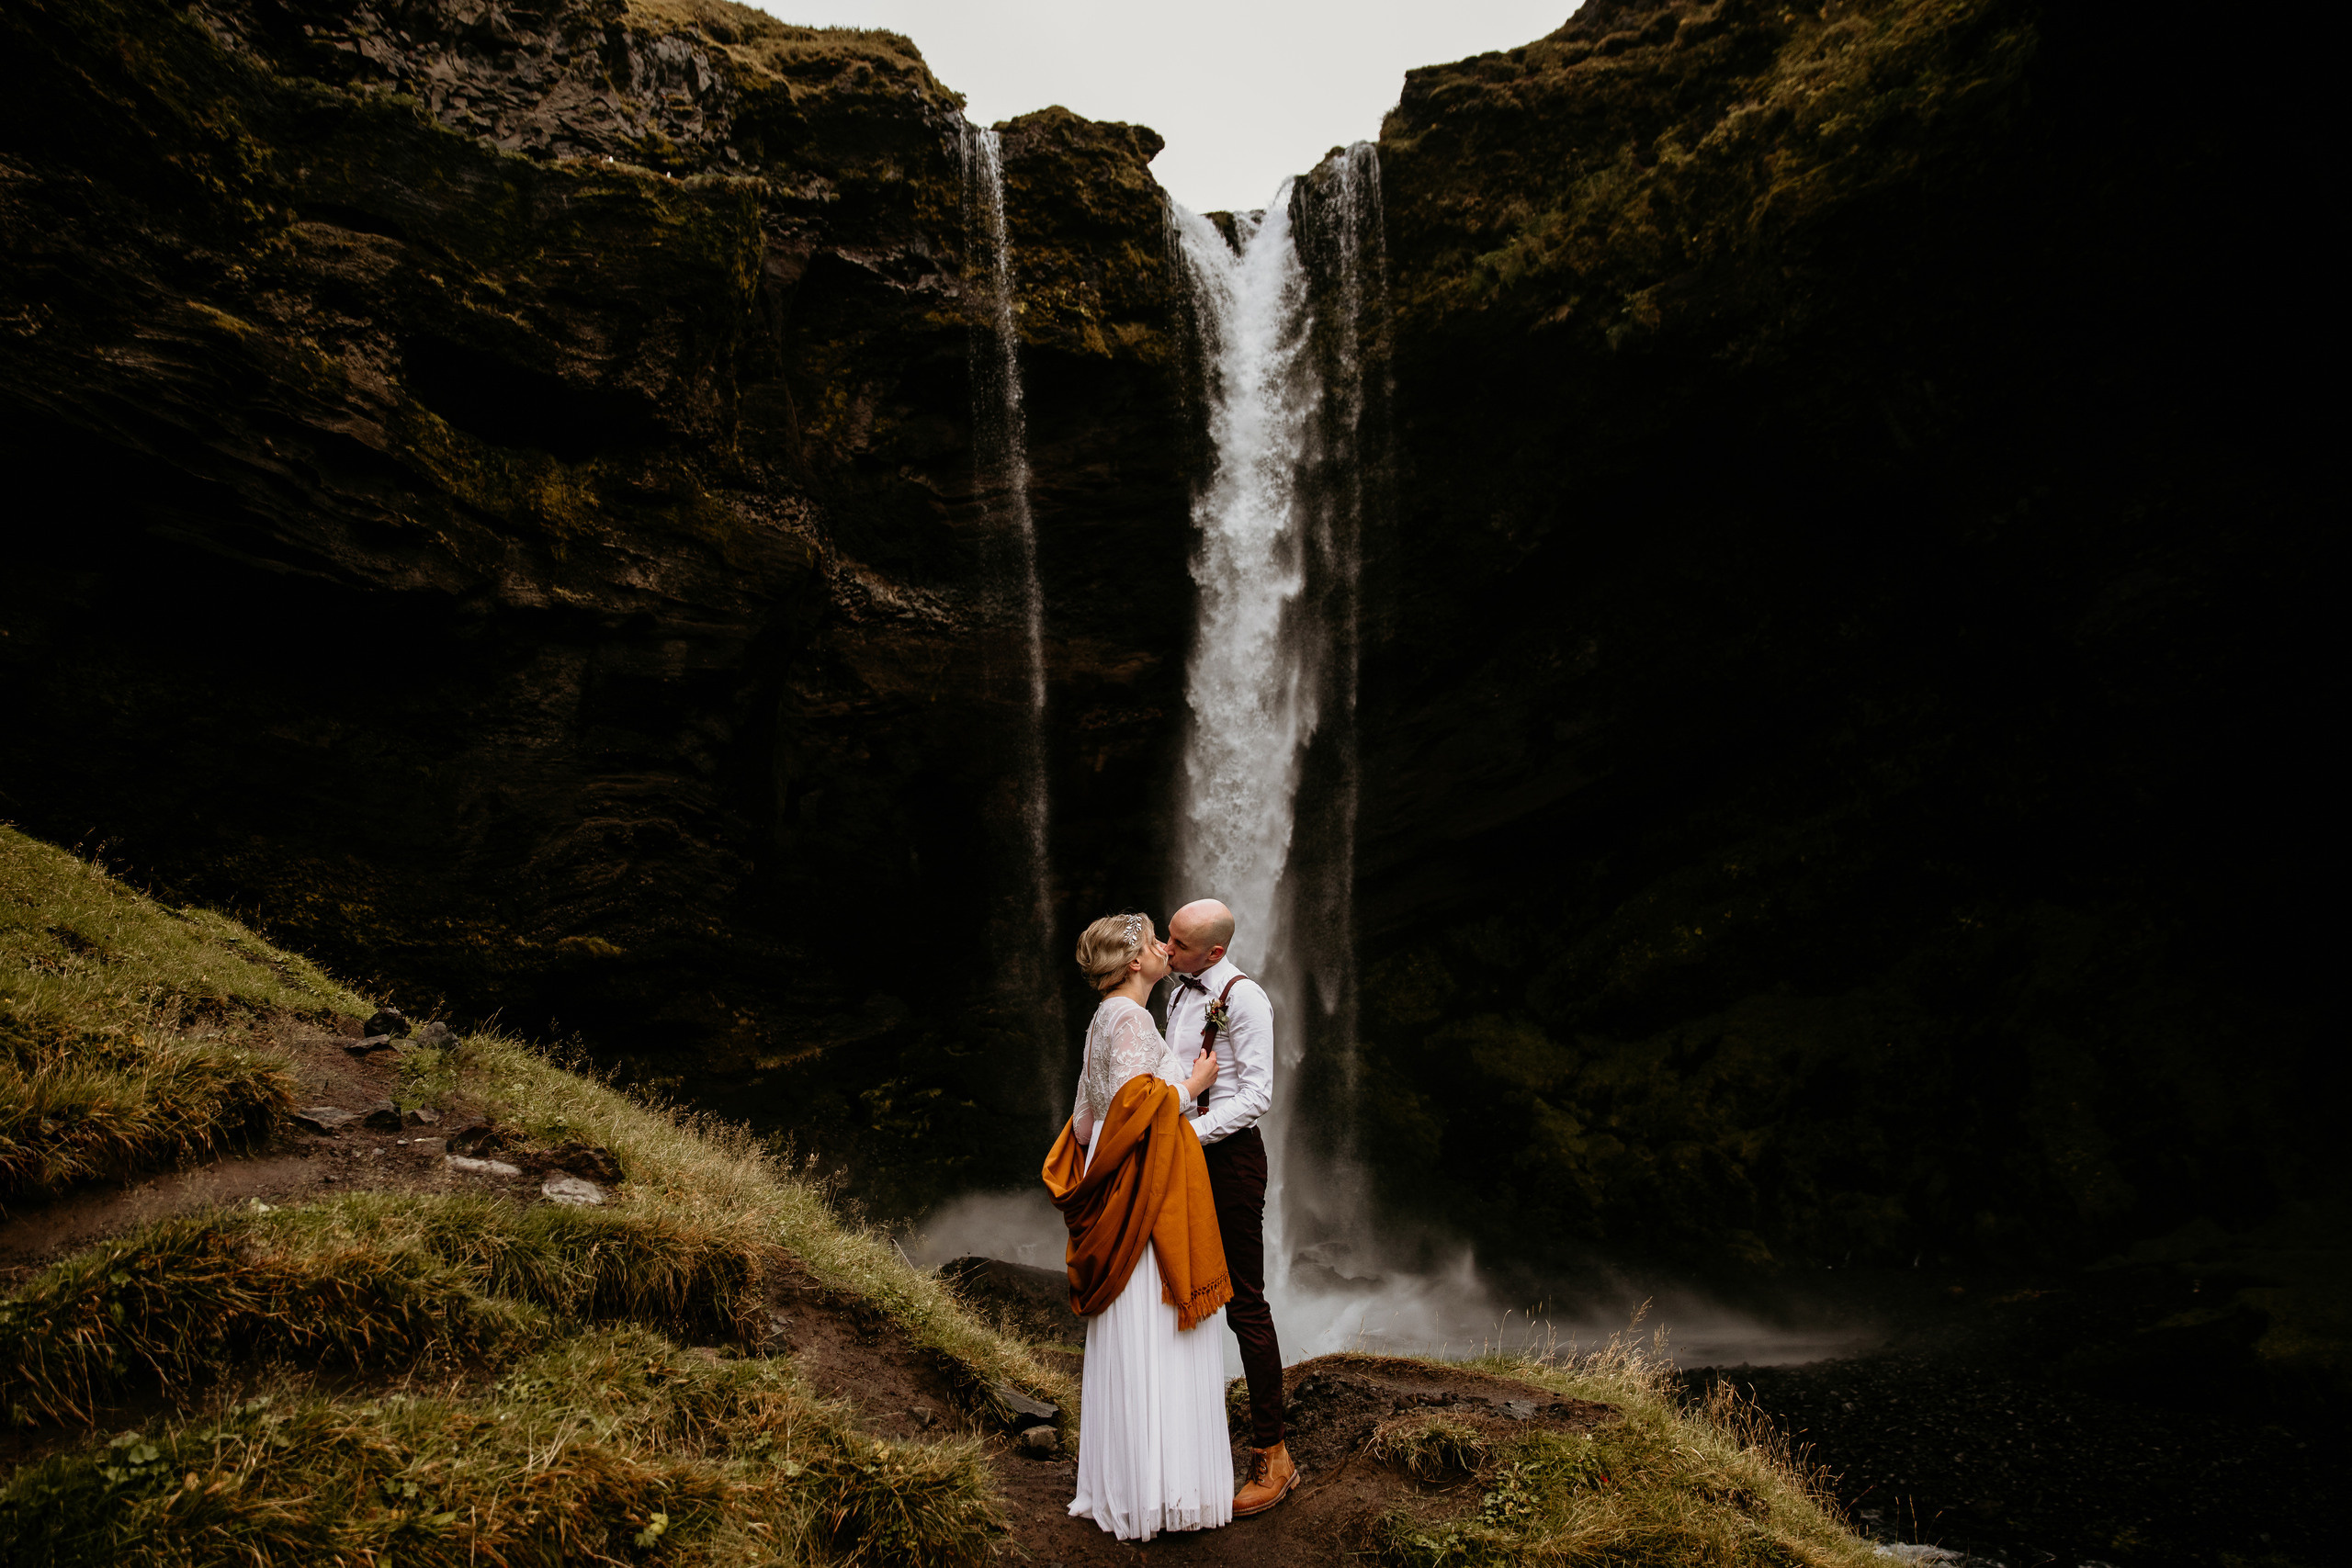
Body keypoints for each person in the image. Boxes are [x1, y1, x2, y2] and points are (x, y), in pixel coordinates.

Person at [1043, 911, 1234, 1541]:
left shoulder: (1103, 1020)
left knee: (1138, 1335)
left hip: (1121, 1192)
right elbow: (1130, 1110)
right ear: (1133, 962)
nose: (1163, 949)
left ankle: (1131, 1483)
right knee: (1159, 1329)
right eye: (1154, 941)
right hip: (1143, 1202)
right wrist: (1192, 1086)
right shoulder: (1129, 1017)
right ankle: (1161, 1492)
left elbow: (1081, 1123)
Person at [1163, 896, 1297, 1516]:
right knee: (1179, 1290)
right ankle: (1186, 1442)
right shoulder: (1177, 991)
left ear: (1214, 952)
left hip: (1231, 1160)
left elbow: (1258, 1095)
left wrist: (1184, 1133)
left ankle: (1273, 1453)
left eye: (1180, 944)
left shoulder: (1245, 998)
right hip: (1181, 1151)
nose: (1166, 951)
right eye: (1167, 938)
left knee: (1244, 1300)